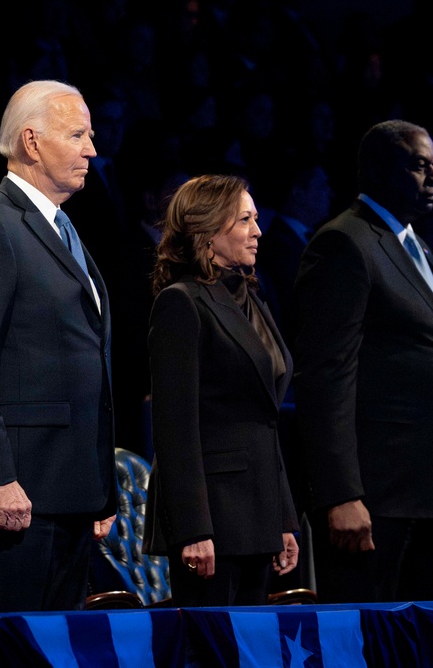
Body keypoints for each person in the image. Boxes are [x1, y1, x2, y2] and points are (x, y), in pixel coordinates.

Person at [0, 79, 117, 612]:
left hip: (71, 490)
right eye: (78, 135)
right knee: (9, 647)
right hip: (20, 493)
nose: (92, 149)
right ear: (32, 142)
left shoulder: (62, 229)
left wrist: (98, 487)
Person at [292, 119, 433, 603]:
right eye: (420, 165)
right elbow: (325, 376)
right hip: (377, 497)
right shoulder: (344, 243)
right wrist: (341, 494)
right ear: (376, 170)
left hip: (431, 493)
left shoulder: (415, 245)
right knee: (370, 640)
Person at [143, 174, 300, 607]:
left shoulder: (252, 297)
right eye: (245, 220)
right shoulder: (181, 302)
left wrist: (283, 518)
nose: (258, 231)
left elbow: (264, 420)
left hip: (258, 512)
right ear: (210, 233)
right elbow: (175, 429)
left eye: (256, 219)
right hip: (213, 518)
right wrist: (194, 528)